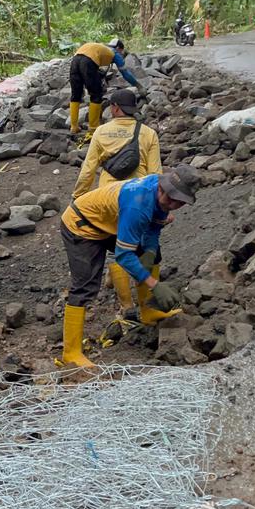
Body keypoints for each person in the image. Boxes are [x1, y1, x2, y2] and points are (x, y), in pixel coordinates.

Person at [58, 166, 200, 367]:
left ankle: (148, 311)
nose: (169, 201)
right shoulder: (138, 205)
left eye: (178, 201)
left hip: (111, 222)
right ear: (162, 185)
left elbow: (153, 228)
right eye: (167, 195)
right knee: (86, 284)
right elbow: (124, 256)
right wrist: (154, 285)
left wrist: (149, 252)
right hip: (82, 224)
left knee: (150, 253)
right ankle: (71, 352)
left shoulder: (160, 197)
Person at [72, 89, 163, 316]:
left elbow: (88, 171)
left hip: (109, 199)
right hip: (142, 199)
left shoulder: (101, 132)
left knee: (116, 249)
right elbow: (156, 173)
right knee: (144, 248)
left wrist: (77, 198)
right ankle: (148, 308)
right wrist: (160, 206)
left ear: (114, 108)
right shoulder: (148, 133)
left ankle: (126, 306)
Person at [69, 39, 141, 134]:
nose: (121, 54)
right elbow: (125, 73)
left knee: (76, 95)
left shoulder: (102, 47)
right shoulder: (114, 53)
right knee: (96, 94)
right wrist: (138, 85)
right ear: (119, 48)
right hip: (88, 61)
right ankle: (93, 128)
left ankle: (74, 127)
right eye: (122, 52)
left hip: (75, 59)